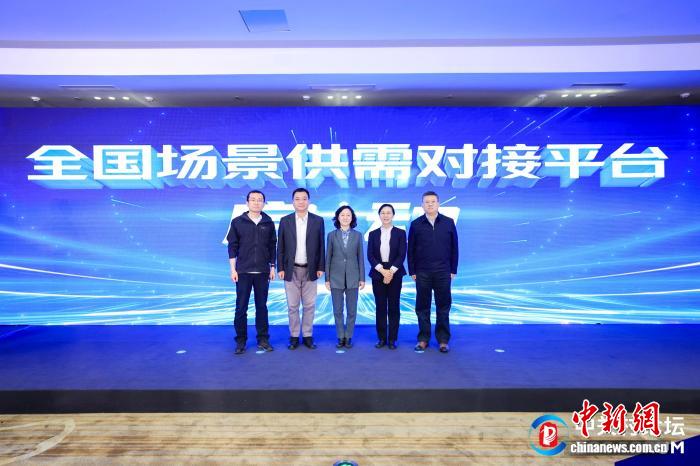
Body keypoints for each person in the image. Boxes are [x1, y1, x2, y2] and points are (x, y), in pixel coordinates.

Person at [226, 190, 276, 355]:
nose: (256, 202)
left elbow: (272, 246)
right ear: (247, 203)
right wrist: (233, 269)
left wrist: (272, 267)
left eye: (260, 200)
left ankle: (263, 340)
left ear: (264, 203)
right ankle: (241, 341)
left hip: (262, 272)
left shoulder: (268, 222)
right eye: (253, 199)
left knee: (262, 307)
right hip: (243, 272)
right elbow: (232, 247)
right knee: (241, 308)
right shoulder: (238, 222)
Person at [407, 191, 458, 353]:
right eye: (426, 202)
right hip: (422, 272)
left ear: (438, 203)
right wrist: (412, 270)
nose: (430, 204)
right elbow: (410, 250)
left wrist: (453, 269)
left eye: (433, 201)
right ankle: (423, 339)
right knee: (422, 307)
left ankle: (443, 340)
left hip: (443, 271)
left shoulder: (448, 222)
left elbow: (454, 247)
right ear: (422, 205)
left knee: (443, 306)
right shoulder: (416, 224)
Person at [277, 188, 325, 350]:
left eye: (304, 198)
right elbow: (280, 246)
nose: (301, 202)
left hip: (311, 269)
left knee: (309, 305)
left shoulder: (318, 221)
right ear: (293, 202)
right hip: (290, 269)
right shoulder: (285, 220)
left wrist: (320, 266)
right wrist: (281, 267)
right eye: (297, 199)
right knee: (292, 305)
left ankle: (308, 335)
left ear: (308, 201)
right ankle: (294, 336)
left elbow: (321, 245)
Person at [367, 203, 406, 350]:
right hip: (378, 273)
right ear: (379, 215)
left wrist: (391, 272)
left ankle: (392, 339)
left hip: (396, 272)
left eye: (388, 212)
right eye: (383, 213)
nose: (385, 215)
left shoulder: (400, 233)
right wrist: (383, 271)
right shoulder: (373, 234)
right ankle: (382, 338)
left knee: (394, 306)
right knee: (380, 306)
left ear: (393, 215)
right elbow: (370, 255)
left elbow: (402, 254)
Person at [325, 205, 365, 349]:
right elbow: (328, 257)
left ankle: (348, 337)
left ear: (352, 218)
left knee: (352, 310)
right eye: (342, 215)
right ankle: (340, 336)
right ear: (338, 217)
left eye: (348, 215)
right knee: (337, 310)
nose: (345, 217)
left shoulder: (358, 235)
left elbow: (360, 257)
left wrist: (362, 278)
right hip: (335, 277)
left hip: (353, 276)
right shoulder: (331, 235)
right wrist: (327, 278)